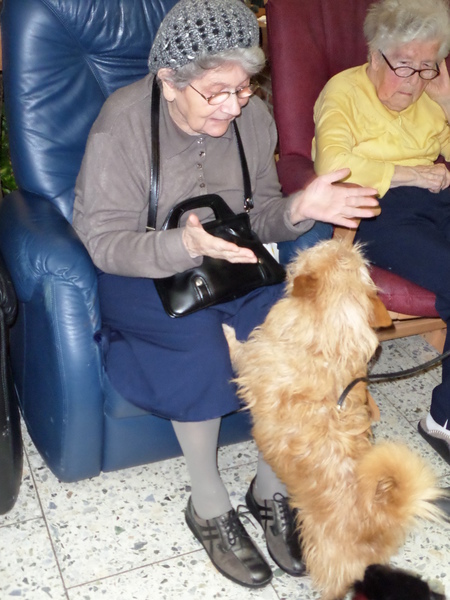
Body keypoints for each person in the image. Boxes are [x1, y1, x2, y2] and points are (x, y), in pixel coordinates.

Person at [73, 0, 379, 588]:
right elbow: (104, 242)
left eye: (242, 89)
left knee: (297, 341)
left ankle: (270, 489)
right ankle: (208, 504)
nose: (234, 106)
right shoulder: (121, 124)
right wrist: (184, 245)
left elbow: (259, 215)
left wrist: (299, 207)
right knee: (199, 349)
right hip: (142, 270)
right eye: (216, 92)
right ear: (169, 81)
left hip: (233, 262)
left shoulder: (252, 116)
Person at [312, 0, 450, 467]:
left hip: (439, 198)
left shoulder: (432, 92)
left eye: (427, 67)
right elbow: (332, 165)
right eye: (403, 66)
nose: (413, 82)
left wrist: (447, 103)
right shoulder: (343, 91)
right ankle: (444, 420)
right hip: (378, 206)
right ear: (374, 55)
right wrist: (412, 174)